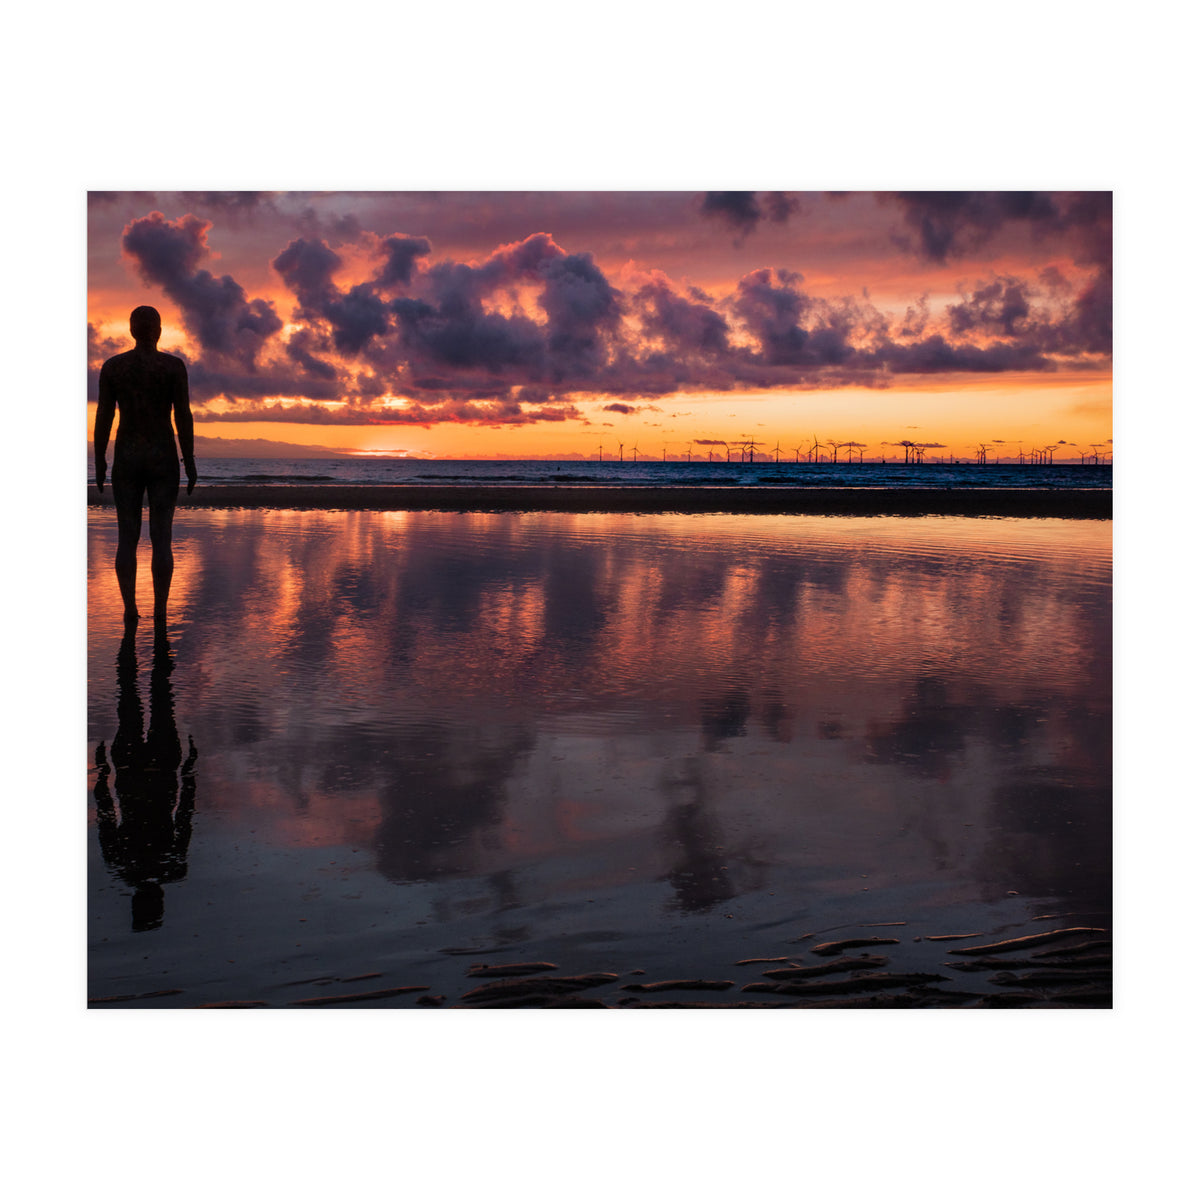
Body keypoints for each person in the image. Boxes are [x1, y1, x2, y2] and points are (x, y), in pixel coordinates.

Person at [94, 306, 197, 623]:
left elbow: (104, 417)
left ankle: (130, 609)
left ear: (131, 329)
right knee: (161, 537)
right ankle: (161, 609)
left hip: (127, 457)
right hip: (163, 456)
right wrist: (189, 459)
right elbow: (182, 416)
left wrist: (99, 459)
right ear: (159, 330)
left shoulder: (114, 367)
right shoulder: (172, 367)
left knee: (127, 537)